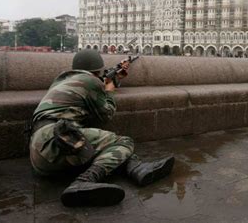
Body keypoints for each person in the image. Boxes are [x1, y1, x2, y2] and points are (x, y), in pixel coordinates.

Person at [29, 49, 175, 207]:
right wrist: (110, 91)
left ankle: (137, 169)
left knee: (104, 147)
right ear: (97, 69)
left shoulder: (63, 80)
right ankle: (84, 181)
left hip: (43, 151)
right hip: (58, 140)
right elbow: (106, 114)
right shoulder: (91, 81)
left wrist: (115, 79)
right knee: (123, 142)